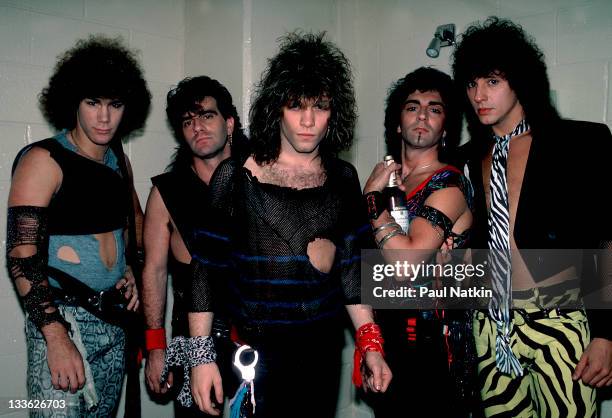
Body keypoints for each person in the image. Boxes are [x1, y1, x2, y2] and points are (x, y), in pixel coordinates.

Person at [185, 32, 392, 417]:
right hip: (255, 357)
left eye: (321, 106)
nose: (309, 120)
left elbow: (353, 269)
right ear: (277, 107)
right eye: (297, 105)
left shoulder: (343, 177)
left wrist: (371, 344)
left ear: (335, 112)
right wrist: (200, 358)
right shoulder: (236, 176)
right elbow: (205, 272)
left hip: (322, 353)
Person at [452, 16, 612, 417]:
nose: (479, 95)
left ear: (519, 80)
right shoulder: (468, 158)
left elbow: (606, 241)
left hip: (559, 323)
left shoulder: (580, 142)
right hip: (491, 326)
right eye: (471, 84)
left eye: (492, 81)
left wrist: (607, 335)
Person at [6, 35, 151, 417]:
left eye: (114, 104)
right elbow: (21, 256)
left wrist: (130, 268)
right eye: (93, 103)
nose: (104, 117)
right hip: (62, 319)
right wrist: (55, 336)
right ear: (74, 101)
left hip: (113, 323)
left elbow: (131, 225)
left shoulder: (117, 161)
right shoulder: (43, 159)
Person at [362, 67, 475, 417]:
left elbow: (406, 263)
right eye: (412, 107)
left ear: (445, 128)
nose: (423, 115)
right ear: (397, 123)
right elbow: (364, 267)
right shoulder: (388, 183)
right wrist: (370, 345)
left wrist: (370, 198)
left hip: (436, 347)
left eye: (435, 109)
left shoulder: (448, 183)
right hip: (387, 340)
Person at [142, 75, 246, 415]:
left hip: (255, 337)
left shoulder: (258, 180)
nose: (197, 127)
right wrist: (155, 346)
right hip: (192, 341)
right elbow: (154, 270)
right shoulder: (167, 193)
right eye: (188, 121)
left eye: (207, 116)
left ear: (229, 123)